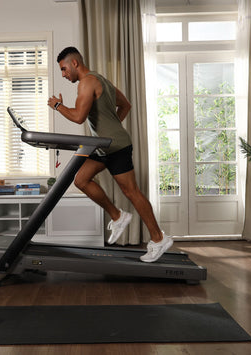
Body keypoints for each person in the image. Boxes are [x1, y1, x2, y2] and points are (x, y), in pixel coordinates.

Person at [47, 46, 173, 263]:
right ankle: (118, 216)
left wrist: (58, 105)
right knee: (81, 180)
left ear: (75, 63)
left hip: (115, 147)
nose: (64, 74)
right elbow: (125, 105)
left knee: (132, 192)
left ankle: (159, 238)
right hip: (103, 145)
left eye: (64, 69)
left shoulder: (87, 82)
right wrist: (111, 128)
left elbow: (78, 117)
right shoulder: (101, 79)